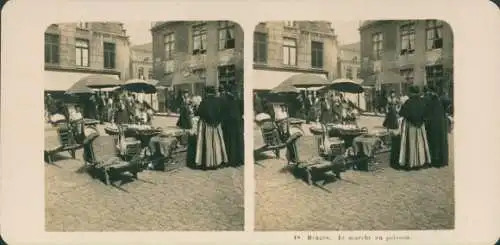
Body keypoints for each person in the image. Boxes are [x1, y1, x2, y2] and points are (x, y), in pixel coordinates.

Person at [397, 85, 432, 170]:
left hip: (410, 125)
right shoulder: (423, 101)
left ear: (411, 92)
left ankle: (411, 162)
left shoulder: (408, 102)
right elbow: (427, 113)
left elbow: (402, 113)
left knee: (411, 143)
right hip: (420, 126)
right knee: (421, 143)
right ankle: (421, 161)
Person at [195, 86, 228, 169]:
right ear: (214, 92)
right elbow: (224, 112)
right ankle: (218, 160)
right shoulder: (219, 101)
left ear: (206, 92)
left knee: (208, 142)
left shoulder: (204, 101)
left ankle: (208, 162)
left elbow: (199, 113)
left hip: (206, 125)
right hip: (216, 125)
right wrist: (218, 121)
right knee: (217, 142)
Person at [423, 85, 449, 168]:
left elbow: (428, 113)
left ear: (430, 91)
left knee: (434, 142)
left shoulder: (430, 99)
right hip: (441, 122)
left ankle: (434, 160)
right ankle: (442, 160)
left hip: (433, 124)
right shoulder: (439, 99)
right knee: (441, 141)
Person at [220, 87, 244, 166]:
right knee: (238, 141)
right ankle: (240, 159)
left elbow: (223, 114)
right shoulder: (239, 101)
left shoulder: (225, 102)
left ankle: (232, 160)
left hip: (229, 124)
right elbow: (242, 112)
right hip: (238, 123)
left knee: (231, 142)